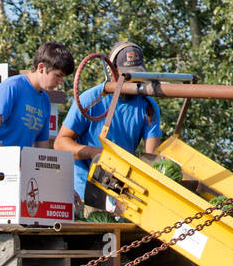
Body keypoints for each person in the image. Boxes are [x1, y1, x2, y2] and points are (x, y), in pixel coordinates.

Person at [0, 42, 75, 227]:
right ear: (41, 67)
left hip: (15, 180)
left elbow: (42, 152)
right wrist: (12, 167)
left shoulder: (45, 102)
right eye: (57, 76)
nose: (59, 82)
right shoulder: (12, 87)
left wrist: (60, 186)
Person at [54, 40, 163, 210]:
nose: (133, 80)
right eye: (126, 75)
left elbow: (152, 158)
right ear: (112, 71)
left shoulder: (148, 106)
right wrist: (97, 153)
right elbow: (60, 144)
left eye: (137, 74)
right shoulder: (91, 99)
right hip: (85, 193)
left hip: (122, 193)